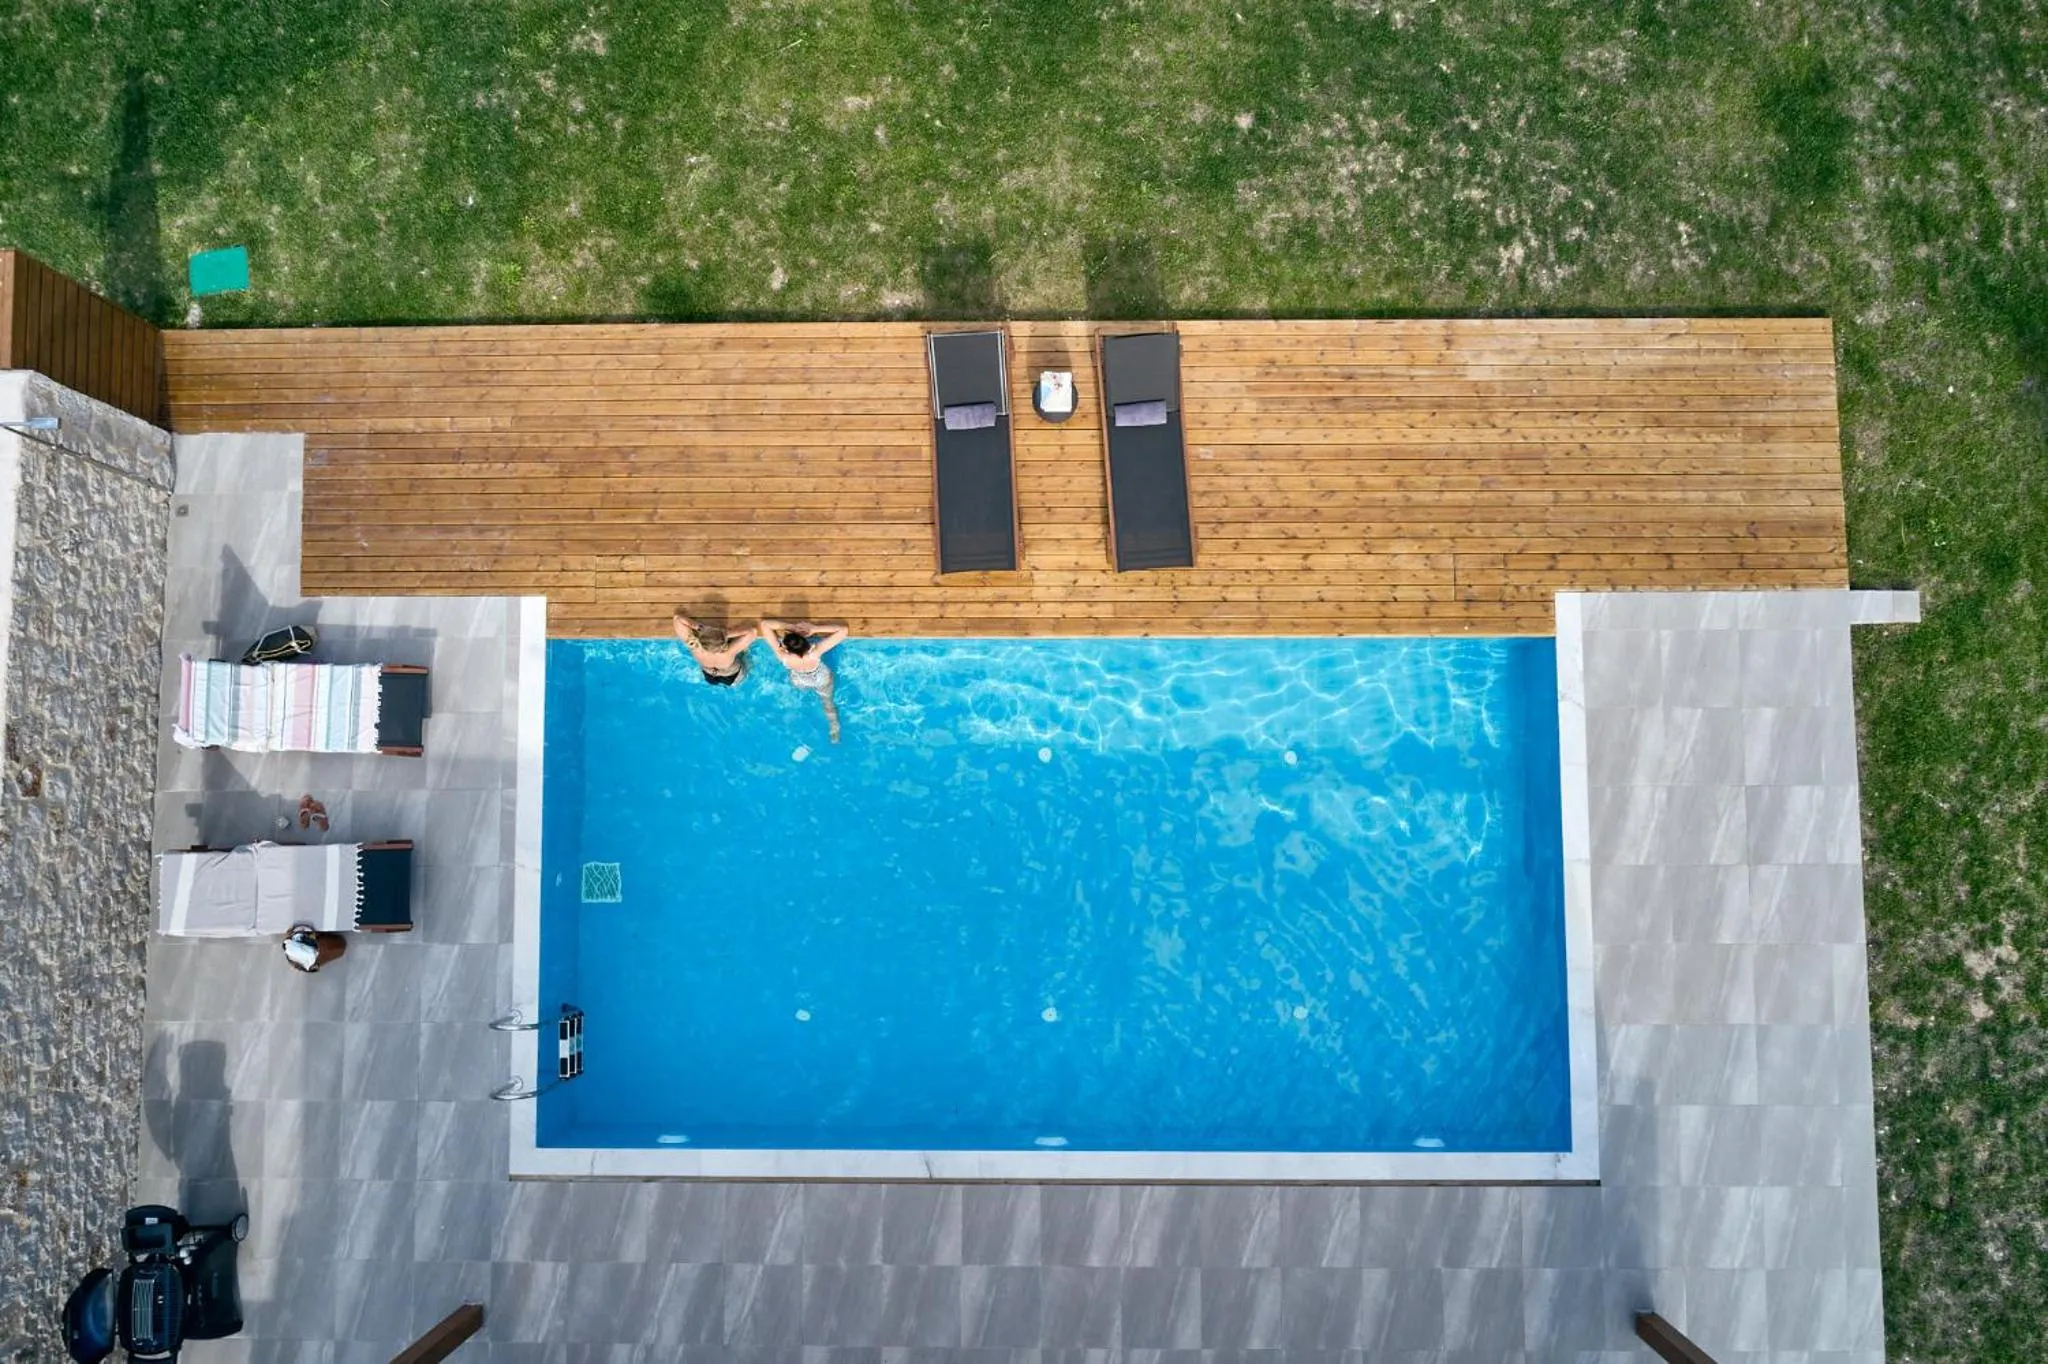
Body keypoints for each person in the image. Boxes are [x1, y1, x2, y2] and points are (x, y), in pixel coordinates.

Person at [761, 618, 848, 742]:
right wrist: (815, 628)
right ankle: (834, 726)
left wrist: (791, 626)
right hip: (820, 678)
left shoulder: (783, 656)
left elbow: (765, 624)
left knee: (797, 682)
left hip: (800, 679)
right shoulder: (815, 652)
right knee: (827, 701)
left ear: (786, 649)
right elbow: (843, 630)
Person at [673, 612, 757, 685]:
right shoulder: (727, 653)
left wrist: (700, 627)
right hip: (731, 676)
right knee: (744, 653)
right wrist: (726, 633)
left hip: (709, 675)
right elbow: (752, 632)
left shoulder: (697, 649)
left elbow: (677, 618)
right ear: (723, 644)